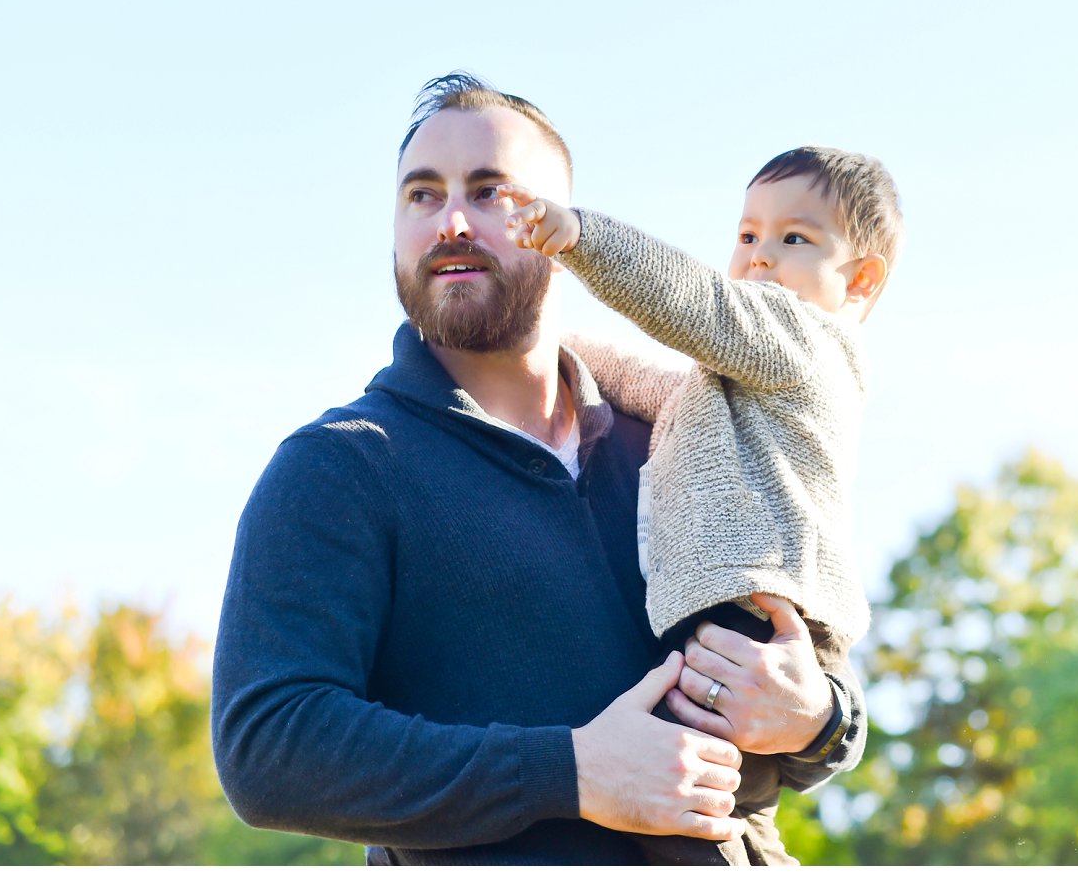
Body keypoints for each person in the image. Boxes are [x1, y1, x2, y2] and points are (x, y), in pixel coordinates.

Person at [210, 75, 867, 865]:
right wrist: (569, 771)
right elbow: (268, 748)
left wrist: (819, 718)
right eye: (422, 195)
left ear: (561, 233)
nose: (452, 220)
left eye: (491, 192)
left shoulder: (673, 439)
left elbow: (812, 675)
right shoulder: (340, 465)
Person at [496, 143, 901, 864]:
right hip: (737, 611)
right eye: (747, 235)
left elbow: (694, 302)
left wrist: (583, 238)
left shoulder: (806, 340)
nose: (760, 258)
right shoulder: (736, 380)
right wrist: (542, 341)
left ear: (860, 280)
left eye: (794, 238)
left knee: (698, 805)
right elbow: (651, 382)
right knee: (719, 803)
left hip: (764, 614)